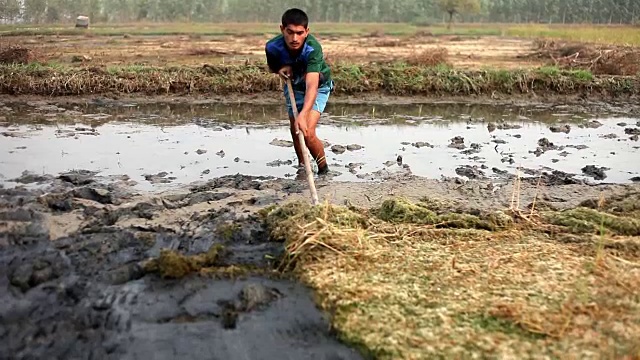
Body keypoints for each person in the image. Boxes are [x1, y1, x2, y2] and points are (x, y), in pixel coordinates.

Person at [265, 8, 333, 175]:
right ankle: (303, 168)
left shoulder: (312, 48)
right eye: (290, 32)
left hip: (318, 86)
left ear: (306, 32)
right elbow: (273, 67)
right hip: (294, 85)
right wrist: (281, 69)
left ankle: (324, 170)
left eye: (299, 33)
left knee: (307, 131)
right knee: (296, 130)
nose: (294, 38)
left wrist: (303, 114)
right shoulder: (272, 47)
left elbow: (312, 85)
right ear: (282, 29)